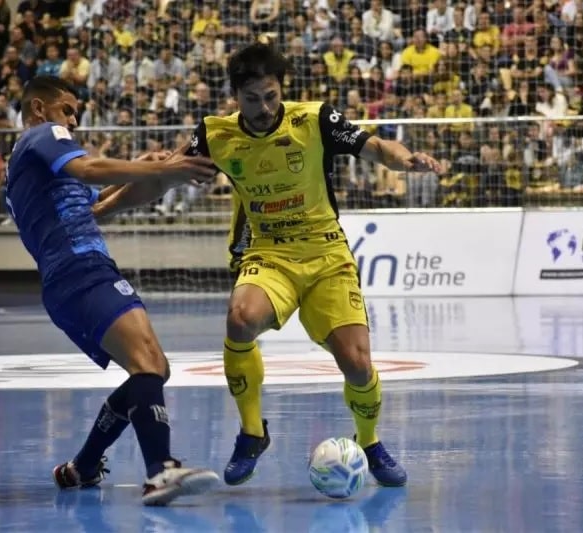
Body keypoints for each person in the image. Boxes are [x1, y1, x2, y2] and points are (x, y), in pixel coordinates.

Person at [94, 43, 441, 488]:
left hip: (326, 252)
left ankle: (370, 443)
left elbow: (374, 146)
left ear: (282, 91)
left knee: (356, 363)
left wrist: (406, 159)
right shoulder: (215, 135)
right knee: (240, 320)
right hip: (268, 252)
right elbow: (161, 178)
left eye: (272, 96)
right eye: (253, 99)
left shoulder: (314, 120)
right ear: (236, 95)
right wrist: (102, 210)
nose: (264, 108)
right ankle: (252, 432)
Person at [5, 76, 220, 506]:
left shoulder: (34, 167)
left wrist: (166, 174)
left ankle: (83, 467)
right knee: (147, 364)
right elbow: (89, 168)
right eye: (67, 109)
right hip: (79, 271)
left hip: (75, 277)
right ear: (38, 108)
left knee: (153, 368)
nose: (72, 120)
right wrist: (161, 169)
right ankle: (160, 472)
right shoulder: (42, 136)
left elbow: (102, 204)